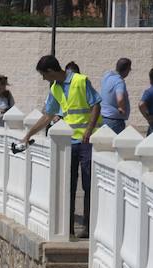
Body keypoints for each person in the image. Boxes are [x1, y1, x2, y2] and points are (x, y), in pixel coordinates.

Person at [20, 55, 101, 240]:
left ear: (50, 71)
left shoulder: (80, 80)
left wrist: (88, 130)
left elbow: (96, 104)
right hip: (68, 142)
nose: (43, 79)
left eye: (43, 75)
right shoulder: (55, 88)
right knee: (68, 185)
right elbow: (48, 115)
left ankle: (88, 227)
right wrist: (29, 134)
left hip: (87, 141)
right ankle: (68, 229)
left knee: (88, 185)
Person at [100, 58, 132, 134]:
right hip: (115, 121)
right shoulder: (119, 81)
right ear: (127, 69)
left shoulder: (107, 76)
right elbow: (120, 98)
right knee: (115, 144)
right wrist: (121, 108)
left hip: (103, 118)